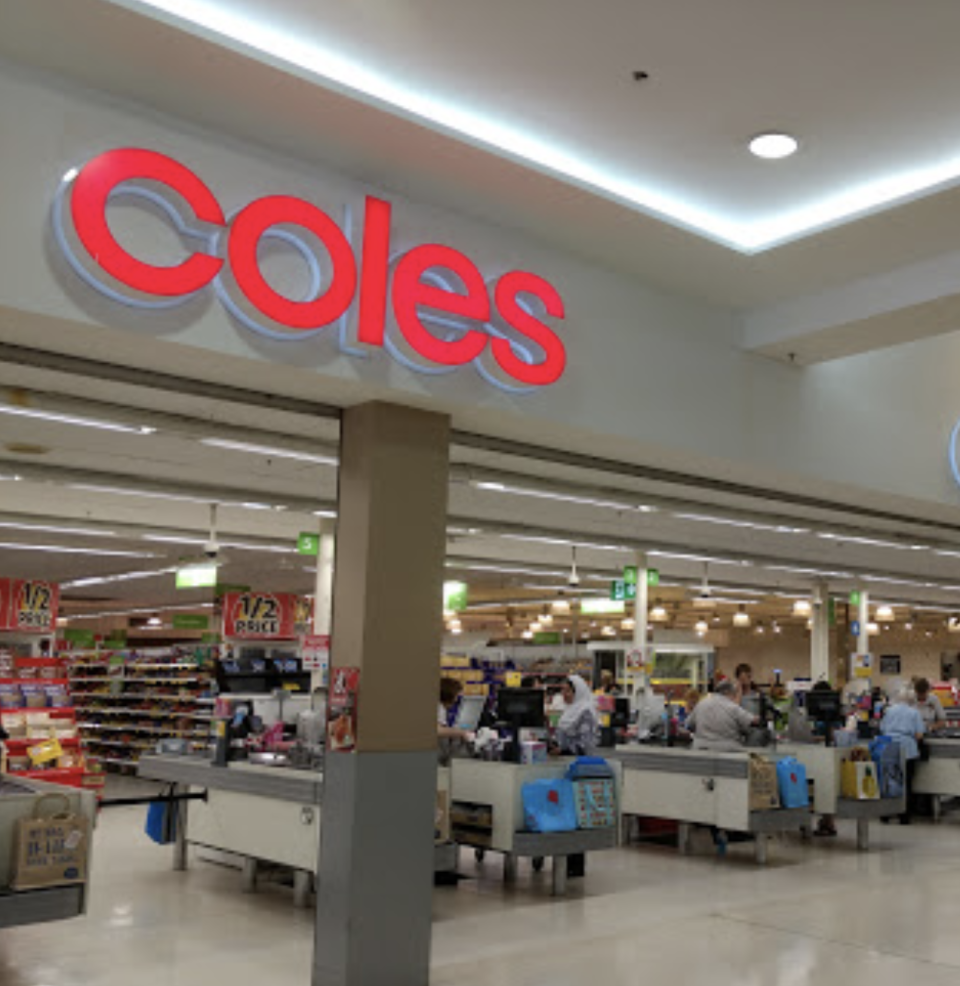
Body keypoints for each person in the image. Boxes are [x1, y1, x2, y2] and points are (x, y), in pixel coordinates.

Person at [880, 687, 926, 824]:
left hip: (888, 746)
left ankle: (885, 814)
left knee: (888, 779)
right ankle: (904, 815)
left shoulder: (889, 711)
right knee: (906, 782)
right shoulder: (914, 713)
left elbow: (882, 728)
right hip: (907, 748)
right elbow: (919, 735)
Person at [685, 679, 759, 751]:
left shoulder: (701, 704)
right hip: (729, 752)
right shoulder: (732, 707)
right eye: (734, 695)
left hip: (700, 750)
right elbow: (753, 721)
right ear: (729, 693)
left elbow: (689, 724)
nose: (734, 697)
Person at [550, 675, 599, 757]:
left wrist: (563, 751)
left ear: (577, 692)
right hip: (565, 760)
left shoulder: (586, 712)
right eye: (562, 690)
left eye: (568, 691)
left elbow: (585, 744)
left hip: (580, 762)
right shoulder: (569, 709)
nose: (564, 694)